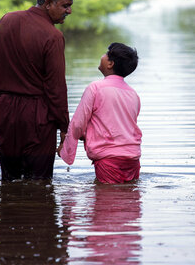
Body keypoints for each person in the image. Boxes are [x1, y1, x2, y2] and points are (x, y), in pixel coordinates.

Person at [0, 0, 79, 180]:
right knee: (40, 182)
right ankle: (37, 211)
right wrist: (64, 126)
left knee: (9, 179)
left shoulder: (7, 20)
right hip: (37, 116)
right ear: (48, 3)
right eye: (65, 6)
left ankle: (10, 210)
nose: (69, 11)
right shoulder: (53, 36)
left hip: (5, 113)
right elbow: (56, 88)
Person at [58, 42, 142, 184]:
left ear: (110, 64)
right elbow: (118, 127)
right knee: (129, 202)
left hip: (109, 160)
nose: (102, 56)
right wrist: (87, 135)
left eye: (106, 54)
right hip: (132, 159)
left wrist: (65, 147)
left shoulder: (95, 88)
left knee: (107, 202)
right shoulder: (133, 94)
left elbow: (78, 123)